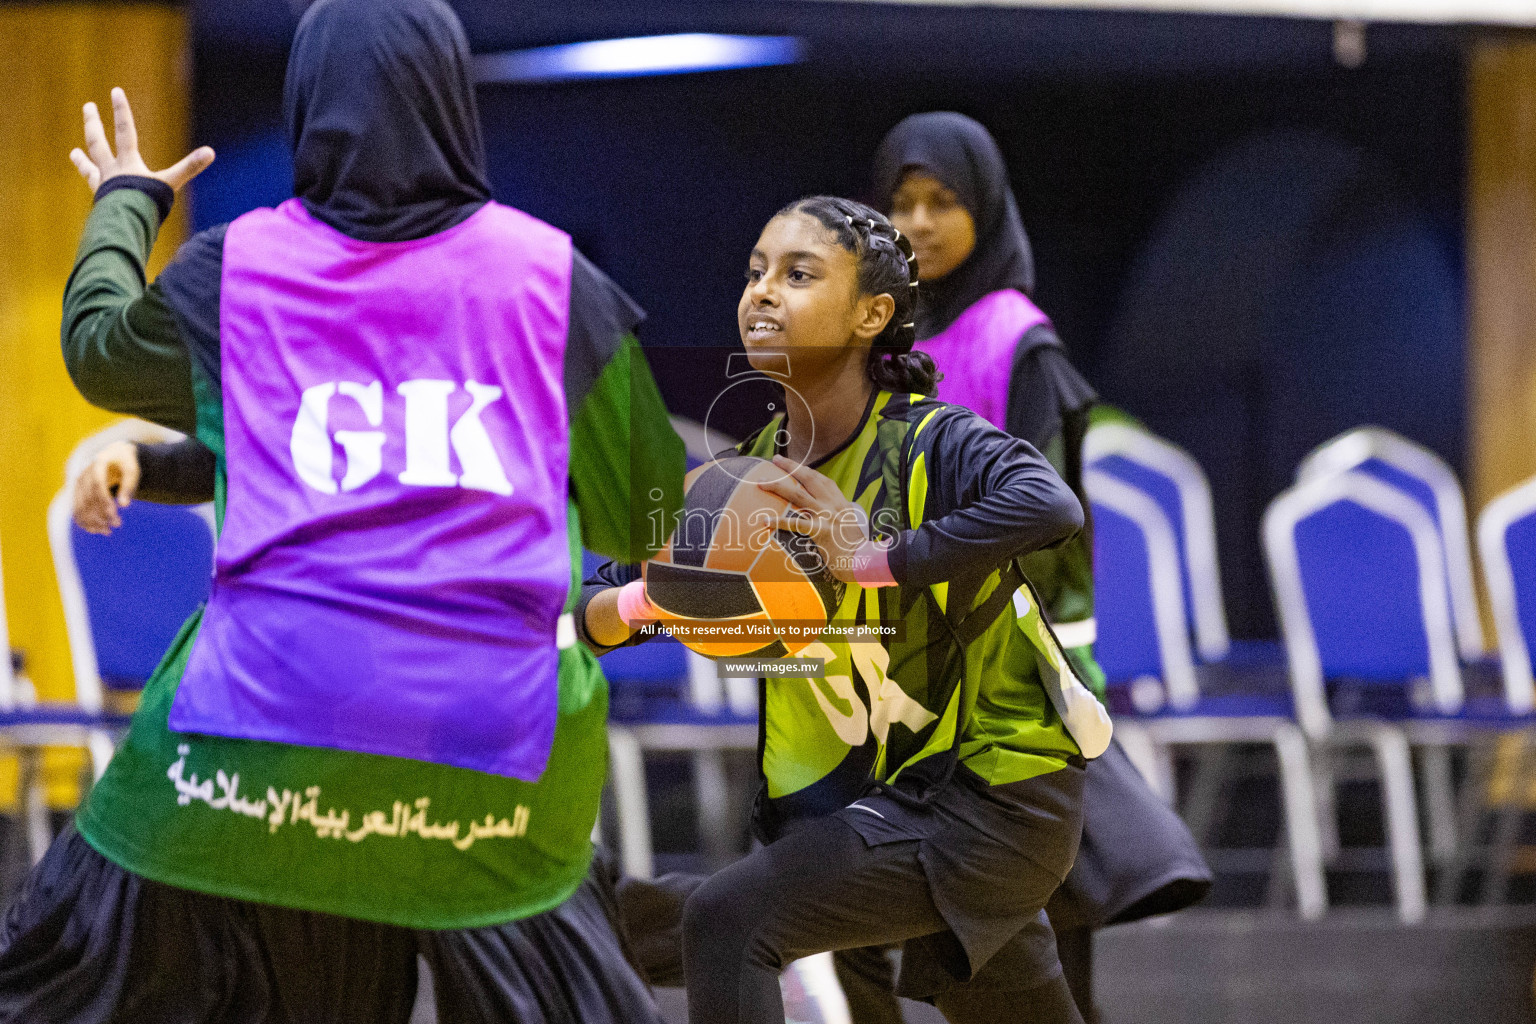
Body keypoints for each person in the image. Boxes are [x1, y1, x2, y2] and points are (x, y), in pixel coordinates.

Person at [1, 1, 683, 1020]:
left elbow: (98, 346)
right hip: (491, 744)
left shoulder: (234, 271)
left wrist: (126, 203)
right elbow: (647, 517)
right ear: (455, 100)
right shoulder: (561, 285)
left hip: (253, 749)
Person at [582, 196, 1111, 1024]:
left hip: (987, 791)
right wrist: (650, 600)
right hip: (861, 793)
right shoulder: (744, 476)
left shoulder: (934, 440)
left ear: (873, 314)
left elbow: (1048, 505)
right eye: (754, 272)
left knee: (729, 921)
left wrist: (867, 559)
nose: (762, 291)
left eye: (797, 274)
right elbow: (592, 604)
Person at [861, 111, 1212, 1023]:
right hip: (906, 674)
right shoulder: (888, 344)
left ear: (985, 207)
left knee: (1042, 933)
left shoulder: (1017, 341)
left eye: (944, 201)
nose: (921, 223)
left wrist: (1054, 665)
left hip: (1012, 671)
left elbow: (1052, 525)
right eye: (901, 203)